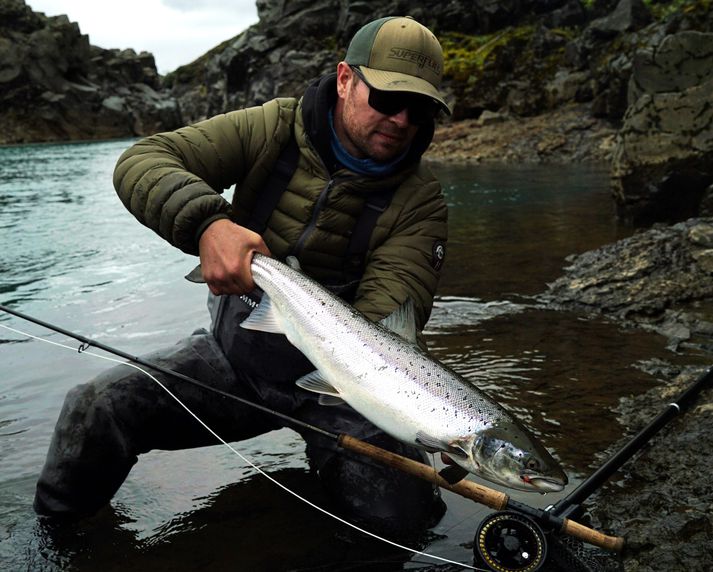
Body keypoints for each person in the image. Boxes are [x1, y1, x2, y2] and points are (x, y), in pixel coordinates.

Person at [34, 15, 451, 539]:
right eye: (388, 99)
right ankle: (56, 541)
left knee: (403, 521)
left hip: (343, 393)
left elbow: (383, 330)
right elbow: (144, 160)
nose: (402, 120)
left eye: (421, 109)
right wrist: (209, 224)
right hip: (234, 362)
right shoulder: (271, 128)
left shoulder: (421, 203)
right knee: (96, 408)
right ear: (345, 79)